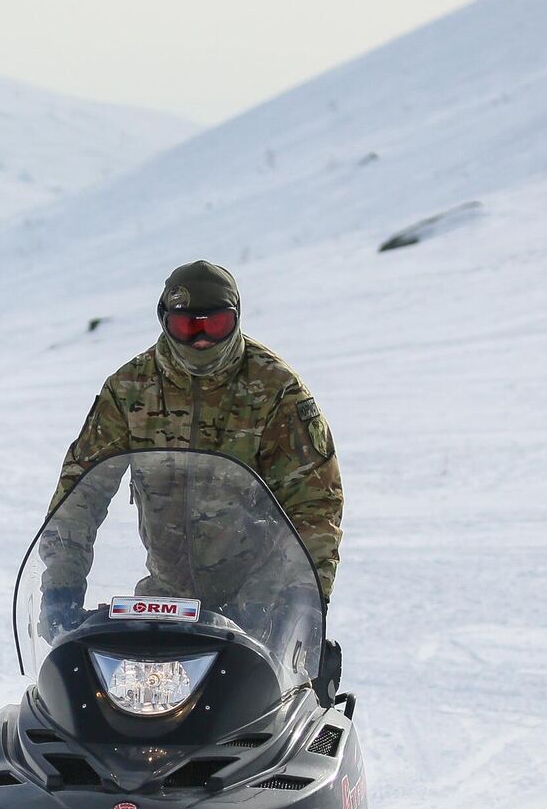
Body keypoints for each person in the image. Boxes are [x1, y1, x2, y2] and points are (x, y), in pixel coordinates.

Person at [39, 260, 343, 631]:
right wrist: (61, 590)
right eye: (186, 326)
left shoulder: (276, 390)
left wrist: (304, 600)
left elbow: (314, 502)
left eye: (216, 326)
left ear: (236, 319)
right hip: (166, 600)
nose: (201, 339)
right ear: (164, 321)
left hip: (263, 604)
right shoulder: (130, 388)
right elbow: (80, 493)